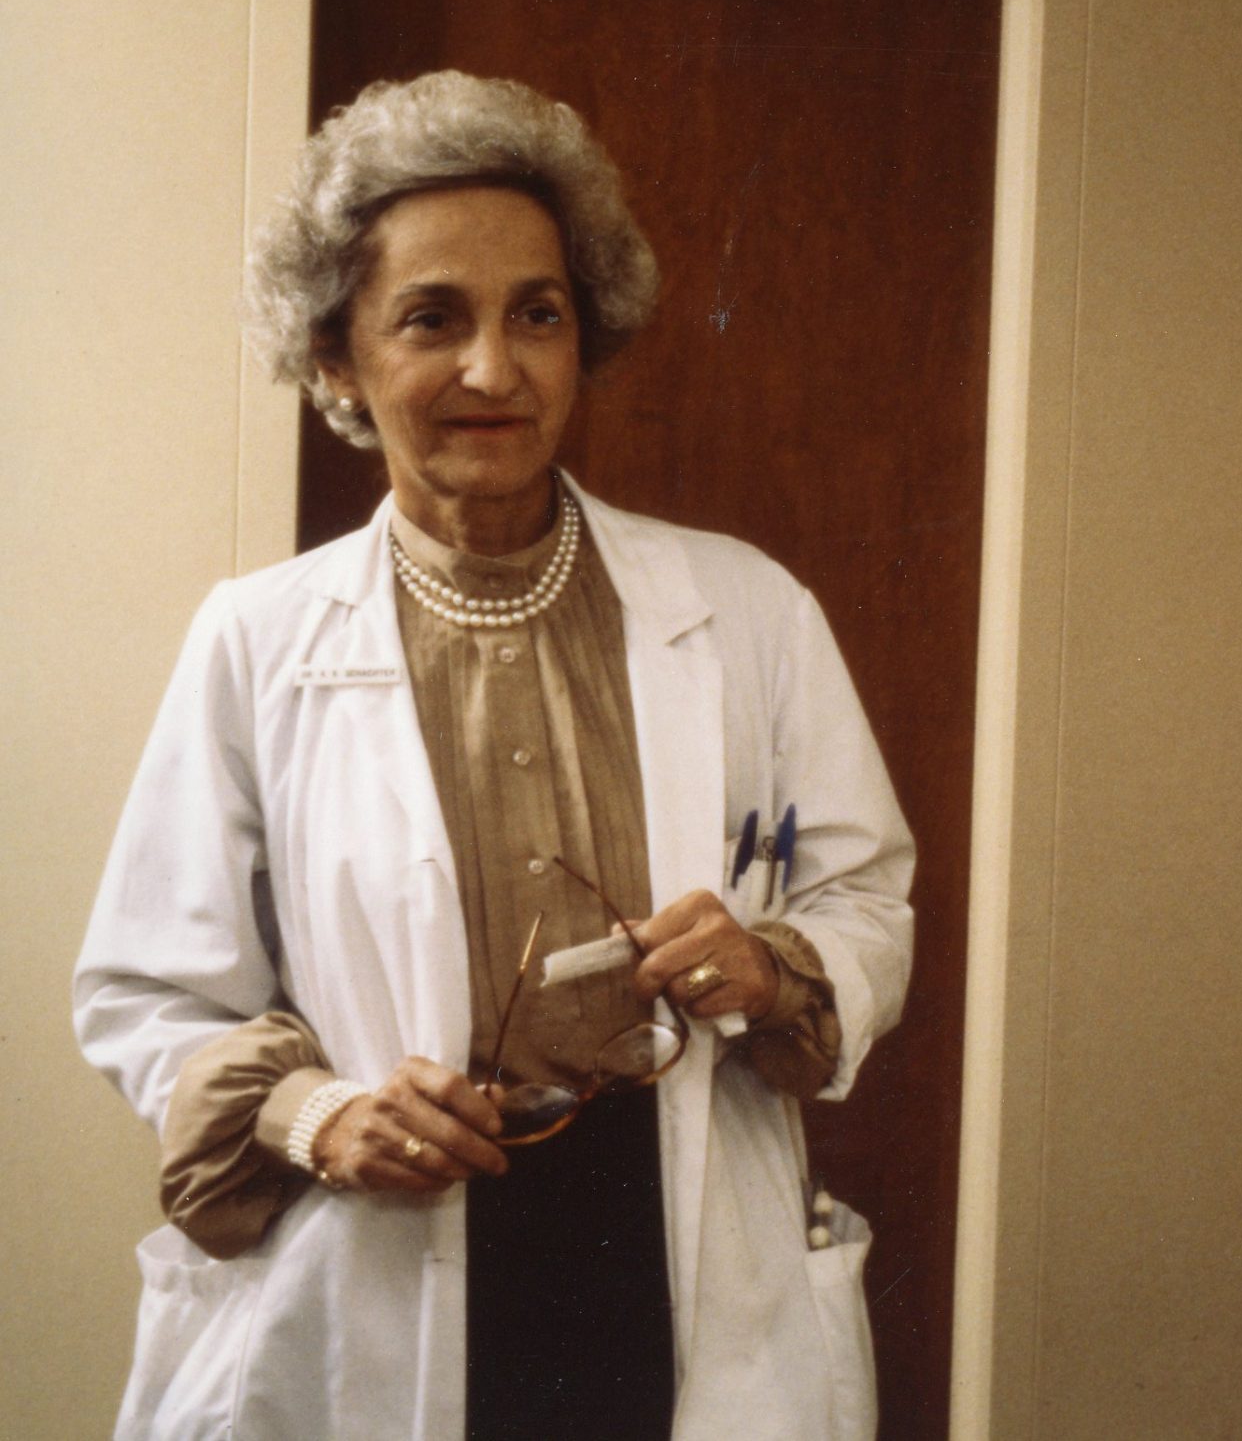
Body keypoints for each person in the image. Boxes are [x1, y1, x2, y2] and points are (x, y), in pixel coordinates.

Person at [73, 71, 915, 1440]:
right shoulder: (257, 640)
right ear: (336, 357)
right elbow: (147, 992)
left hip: (671, 1240)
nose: (493, 369)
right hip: (379, 1248)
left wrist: (777, 969)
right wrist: (316, 1111)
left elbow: (867, 897)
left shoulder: (747, 608)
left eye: (539, 314)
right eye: (431, 319)